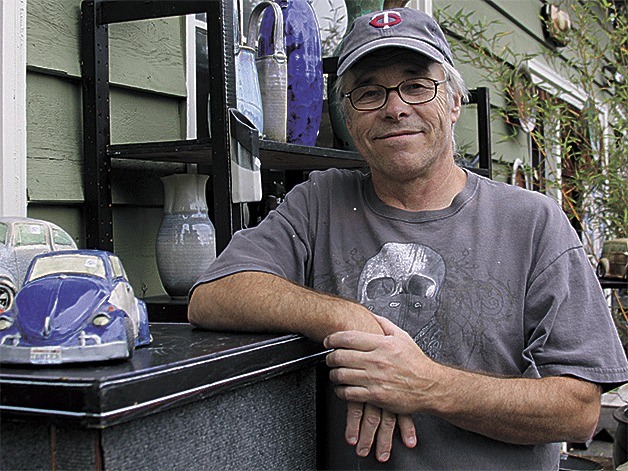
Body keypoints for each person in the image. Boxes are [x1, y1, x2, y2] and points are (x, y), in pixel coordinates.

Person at [188, 7, 628, 469]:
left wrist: (428, 385)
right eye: (369, 92)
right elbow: (213, 296)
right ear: (349, 116)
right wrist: (350, 319)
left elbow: (579, 410)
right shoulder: (319, 203)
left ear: (454, 102)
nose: (395, 108)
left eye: (417, 86)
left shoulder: (533, 223)